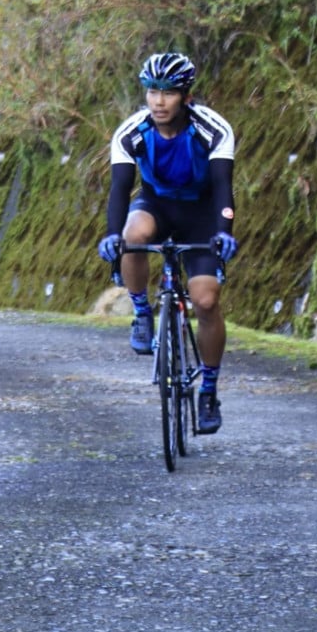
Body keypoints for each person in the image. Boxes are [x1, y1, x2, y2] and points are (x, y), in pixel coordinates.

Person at [98, 52, 238, 434]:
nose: (158, 101)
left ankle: (208, 390)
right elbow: (120, 190)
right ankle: (142, 313)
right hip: (156, 204)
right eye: (152, 92)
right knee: (132, 236)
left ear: (186, 96)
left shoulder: (212, 129)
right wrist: (112, 235)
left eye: (169, 93)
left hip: (201, 212)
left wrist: (224, 231)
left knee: (207, 301)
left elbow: (224, 187)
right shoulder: (132, 132)